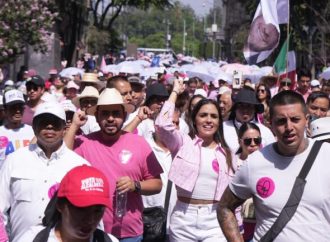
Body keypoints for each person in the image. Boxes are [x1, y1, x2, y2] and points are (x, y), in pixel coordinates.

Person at [217, 90, 330, 241]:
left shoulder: (327, 155)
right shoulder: (255, 163)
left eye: (295, 119)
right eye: (281, 121)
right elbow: (224, 207)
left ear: (307, 120)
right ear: (271, 124)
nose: (289, 127)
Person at [64, 88, 163, 241]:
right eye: (105, 113)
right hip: (92, 232)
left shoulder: (139, 143)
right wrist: (74, 126)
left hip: (130, 234)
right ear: (96, 117)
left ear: (124, 116)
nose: (110, 118)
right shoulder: (84, 143)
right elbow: (62, 159)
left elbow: (157, 184)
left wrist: (135, 185)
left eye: (116, 113)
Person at [155, 79, 241, 242]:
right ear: (194, 120)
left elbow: (234, 195)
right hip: (183, 220)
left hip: (216, 221)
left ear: (219, 122)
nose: (209, 120)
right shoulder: (182, 143)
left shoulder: (227, 154)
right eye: (203, 115)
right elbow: (162, 124)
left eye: (214, 116)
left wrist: (238, 227)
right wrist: (174, 92)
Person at [0, 101, 90, 242]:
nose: (49, 126)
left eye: (55, 122)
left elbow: (91, 215)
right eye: (44, 122)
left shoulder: (80, 165)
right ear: (34, 127)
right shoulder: (14, 160)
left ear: (64, 127)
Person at [17, 165, 118, 242]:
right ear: (60, 205)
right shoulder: (32, 238)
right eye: (81, 209)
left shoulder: (109, 240)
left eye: (97, 211)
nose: (90, 220)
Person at [223, 87, 275, 153]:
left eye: (249, 106)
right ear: (235, 108)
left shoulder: (265, 132)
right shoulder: (223, 128)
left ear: (255, 109)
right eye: (241, 106)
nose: (245, 110)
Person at [235, 123, 262, 242]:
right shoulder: (231, 163)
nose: (253, 144)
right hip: (238, 225)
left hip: (261, 225)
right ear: (239, 141)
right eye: (247, 141)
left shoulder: (269, 163)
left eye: (257, 140)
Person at [0, 89, 34, 168]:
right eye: (13, 107)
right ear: (5, 110)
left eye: (20, 107)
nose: (18, 111)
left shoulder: (33, 132)